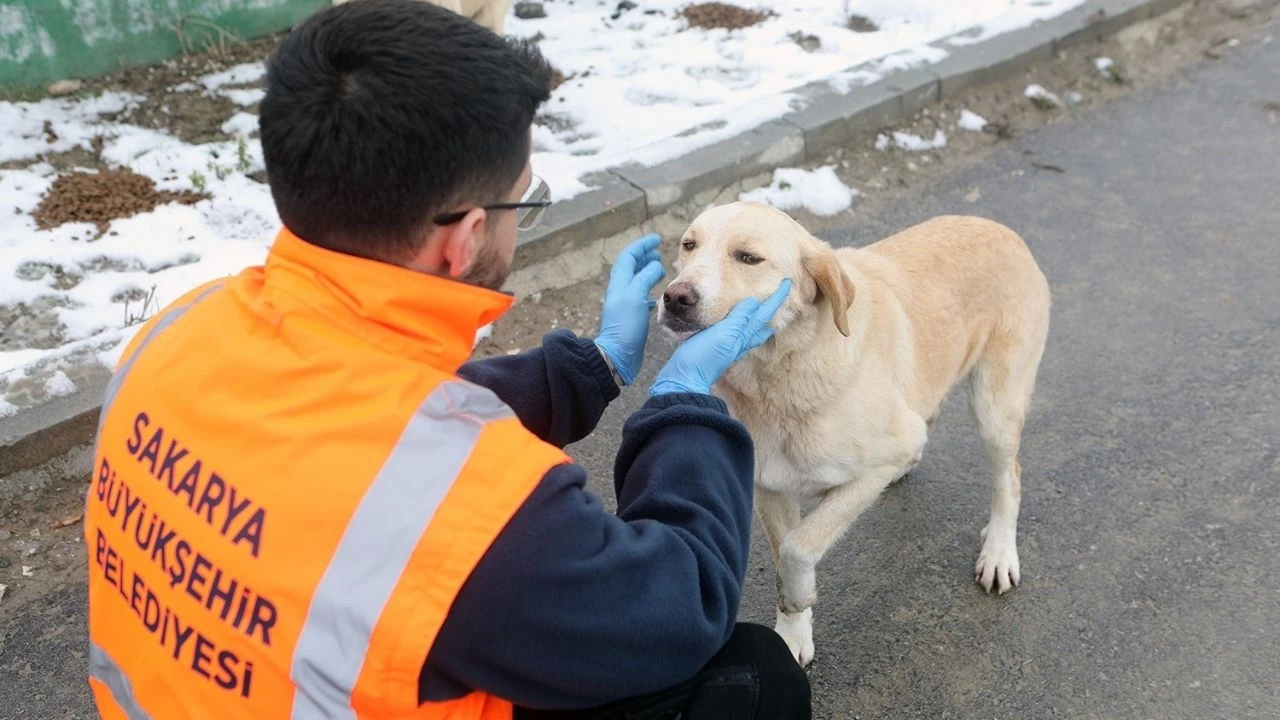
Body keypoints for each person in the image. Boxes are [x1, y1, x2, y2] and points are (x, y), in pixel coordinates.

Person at [82, 1, 810, 718]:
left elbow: (359, 419)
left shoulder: (178, 328)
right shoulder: (476, 516)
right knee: (755, 675)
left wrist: (592, 367)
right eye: (526, 204)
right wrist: (685, 402)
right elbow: (681, 606)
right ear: (463, 239)